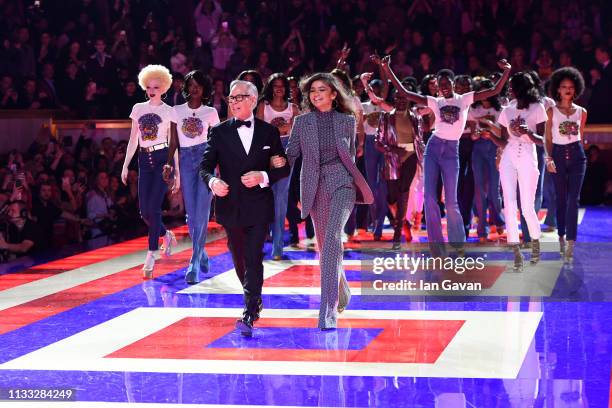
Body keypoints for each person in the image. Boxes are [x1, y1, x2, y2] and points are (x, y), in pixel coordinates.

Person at [376, 55, 511, 256]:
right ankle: (436, 245)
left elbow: (494, 90)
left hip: (451, 151)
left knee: (451, 200)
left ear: (454, 84)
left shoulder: (464, 99)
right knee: (430, 198)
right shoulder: (435, 101)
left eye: (448, 84)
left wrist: (507, 71)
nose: (445, 87)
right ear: (438, 87)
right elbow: (405, 92)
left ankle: (457, 244)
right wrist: (386, 69)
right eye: (442, 85)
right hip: (433, 148)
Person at [200, 80, 290, 337]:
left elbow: (281, 167)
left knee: (253, 257)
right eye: (231, 98)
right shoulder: (218, 132)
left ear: (253, 100)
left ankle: (249, 310)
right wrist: (213, 181)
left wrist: (263, 175)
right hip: (230, 206)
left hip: (259, 206)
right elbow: (205, 167)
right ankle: (254, 297)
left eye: (240, 97)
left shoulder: (268, 132)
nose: (234, 101)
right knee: (239, 258)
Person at [286, 73, 373, 330]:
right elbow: (291, 155)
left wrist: (351, 182)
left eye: (322, 89)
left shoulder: (347, 120)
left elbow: (352, 158)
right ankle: (342, 286)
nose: (316, 94)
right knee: (326, 246)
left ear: (334, 94)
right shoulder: (302, 122)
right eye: (312, 90)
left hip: (342, 183)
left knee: (334, 237)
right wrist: (271, 168)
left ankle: (328, 310)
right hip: (315, 186)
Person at [481, 72, 547, 271]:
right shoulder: (507, 110)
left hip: (528, 154)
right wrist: (489, 136)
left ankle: (535, 246)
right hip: (509, 156)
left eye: (511, 87)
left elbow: (543, 140)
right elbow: (503, 140)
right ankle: (516, 253)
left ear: (520, 89)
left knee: (526, 206)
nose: (508, 90)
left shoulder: (538, 108)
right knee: (508, 205)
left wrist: (528, 132)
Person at [121, 64, 180, 278]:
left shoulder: (169, 111)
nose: (152, 90)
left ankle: (152, 252)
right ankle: (166, 234)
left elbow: (173, 143)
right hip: (143, 160)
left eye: (156, 86)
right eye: (148, 86)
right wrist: (126, 165)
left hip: (162, 158)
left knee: (154, 208)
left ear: (164, 87)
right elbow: (132, 140)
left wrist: (177, 173)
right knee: (144, 211)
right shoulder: (138, 108)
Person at [163, 70, 220, 284]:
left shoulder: (211, 112)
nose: (194, 88)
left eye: (198, 84)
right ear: (186, 88)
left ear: (204, 89)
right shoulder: (176, 111)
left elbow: (216, 143)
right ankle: (201, 252)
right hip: (186, 159)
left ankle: (194, 261)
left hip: (206, 159)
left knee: (203, 210)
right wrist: (170, 162)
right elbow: (173, 141)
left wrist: (219, 168)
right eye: (191, 84)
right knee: (192, 212)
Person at [544, 67, 587, 262]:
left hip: (577, 156)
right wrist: (549, 158)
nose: (567, 89)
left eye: (570, 86)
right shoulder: (551, 111)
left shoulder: (582, 112)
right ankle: (561, 236)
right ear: (557, 90)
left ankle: (571, 242)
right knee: (561, 199)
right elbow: (548, 137)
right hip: (558, 156)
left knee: (574, 200)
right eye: (563, 87)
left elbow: (581, 136)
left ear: (575, 88)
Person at [255, 73, 299, 260]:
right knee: (267, 197)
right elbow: (258, 130)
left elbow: (297, 131)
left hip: (288, 153)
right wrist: (283, 128)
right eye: (275, 85)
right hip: (267, 153)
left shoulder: (293, 108)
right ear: (270, 88)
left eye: (282, 85)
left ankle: (278, 245)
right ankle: (269, 235)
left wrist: (283, 130)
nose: (279, 88)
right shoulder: (263, 107)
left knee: (281, 197)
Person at [468, 79, 505, 242]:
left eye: (487, 93)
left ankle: (498, 219)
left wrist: (489, 124)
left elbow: (502, 133)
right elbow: (472, 133)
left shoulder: (500, 110)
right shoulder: (473, 109)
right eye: (481, 93)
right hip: (478, 150)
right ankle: (481, 228)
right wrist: (475, 133)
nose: (484, 97)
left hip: (495, 149)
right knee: (479, 190)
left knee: (493, 191)